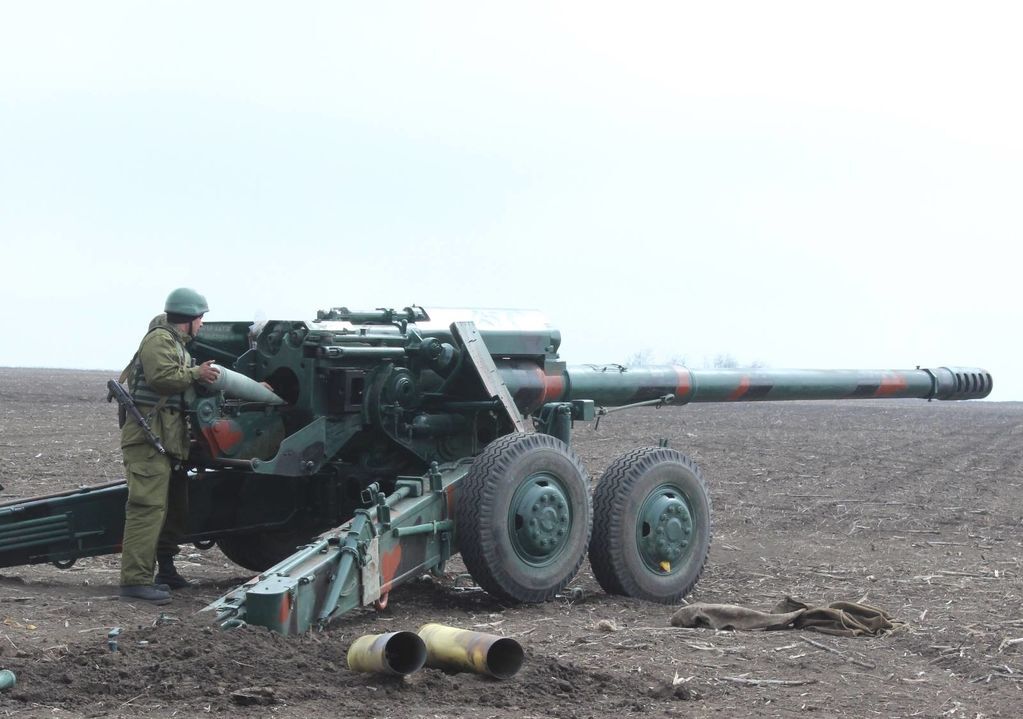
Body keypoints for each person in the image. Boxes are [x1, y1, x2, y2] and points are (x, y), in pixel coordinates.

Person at [118, 288, 219, 604]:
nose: (202, 326)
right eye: (200, 319)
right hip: (149, 441)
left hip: (167, 441)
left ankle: (165, 570)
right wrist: (195, 372)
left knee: (174, 509)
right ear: (189, 320)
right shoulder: (159, 341)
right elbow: (163, 378)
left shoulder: (176, 344)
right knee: (146, 509)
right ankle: (135, 581)